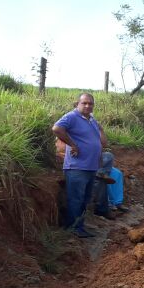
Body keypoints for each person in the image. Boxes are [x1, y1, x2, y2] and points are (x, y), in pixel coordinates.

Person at [52, 93, 107, 238]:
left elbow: (100, 142)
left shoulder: (91, 120)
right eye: (85, 103)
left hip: (90, 166)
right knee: (76, 198)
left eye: (90, 104)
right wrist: (73, 145)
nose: (88, 106)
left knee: (85, 199)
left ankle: (79, 227)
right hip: (77, 167)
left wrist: (99, 158)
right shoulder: (72, 116)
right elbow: (56, 129)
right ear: (78, 104)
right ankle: (73, 228)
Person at [93, 151, 126, 217]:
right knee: (108, 156)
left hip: (98, 159)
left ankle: (117, 202)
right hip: (87, 160)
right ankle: (109, 204)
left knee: (117, 173)